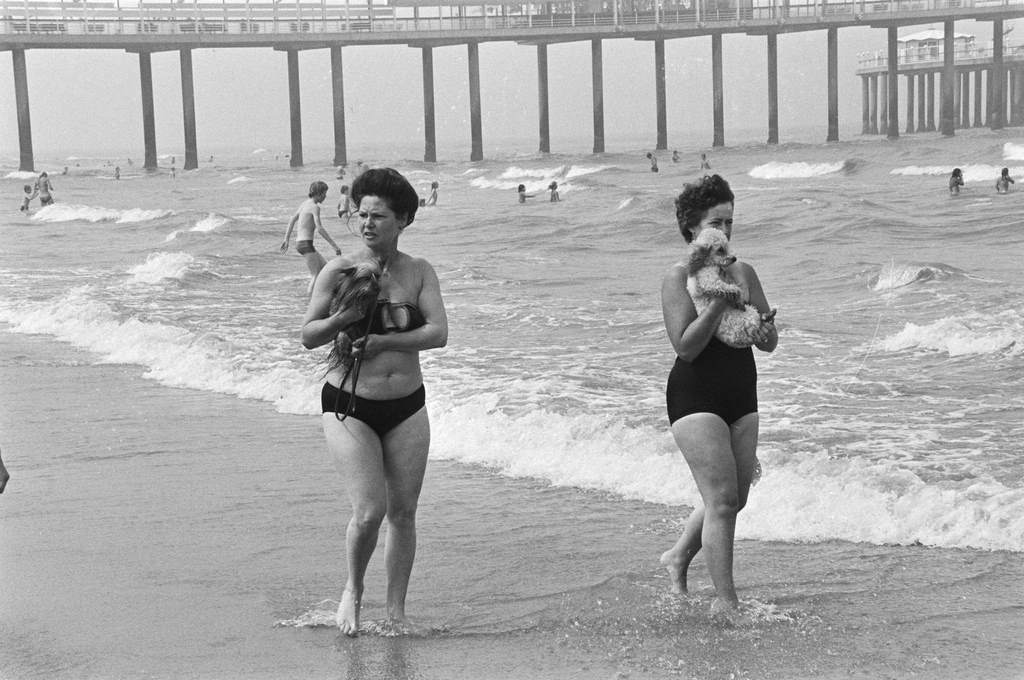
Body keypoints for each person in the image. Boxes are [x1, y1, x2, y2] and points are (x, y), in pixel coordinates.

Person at [301, 167, 448, 636]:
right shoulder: (337, 268)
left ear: (403, 219)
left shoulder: (419, 271)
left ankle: (396, 612)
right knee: (369, 511)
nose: (367, 223)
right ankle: (352, 591)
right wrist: (347, 314)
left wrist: (385, 343)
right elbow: (308, 335)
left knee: (403, 512)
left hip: (406, 404)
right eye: (361, 214)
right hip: (349, 403)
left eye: (379, 216)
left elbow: (438, 333)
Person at [658, 174, 777, 617]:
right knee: (723, 501)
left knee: (734, 498)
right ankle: (727, 605)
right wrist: (717, 302)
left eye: (729, 222)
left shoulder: (744, 271)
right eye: (716, 222)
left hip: (742, 391)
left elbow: (769, 341)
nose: (724, 232)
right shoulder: (676, 279)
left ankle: (677, 557)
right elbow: (685, 346)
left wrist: (764, 329)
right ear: (693, 229)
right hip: (695, 394)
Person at [281, 180, 343, 286]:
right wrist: (334, 246)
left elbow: (292, 220)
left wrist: (286, 239)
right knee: (315, 275)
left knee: (325, 268)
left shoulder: (304, 204)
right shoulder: (315, 207)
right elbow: (320, 229)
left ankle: (331, 292)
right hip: (306, 244)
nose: (325, 197)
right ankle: (310, 300)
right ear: (318, 194)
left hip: (301, 244)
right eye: (324, 194)